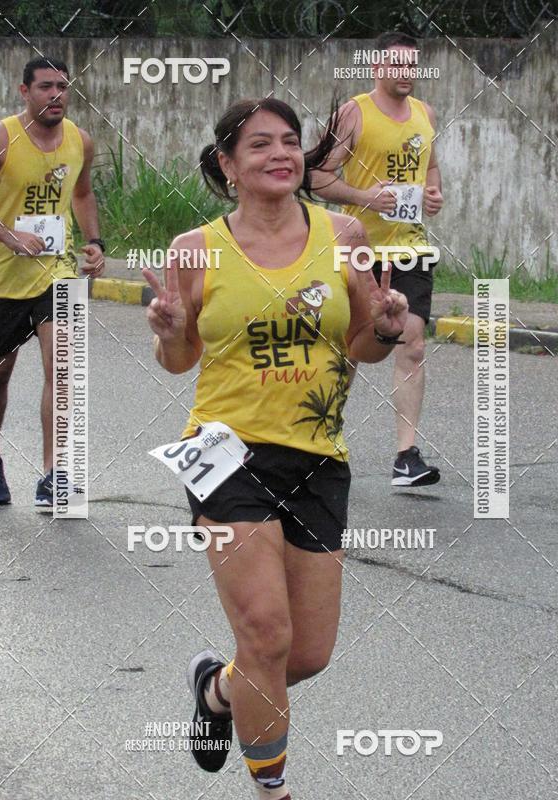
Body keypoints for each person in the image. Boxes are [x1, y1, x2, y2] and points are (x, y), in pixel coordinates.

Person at [143, 97, 408, 800]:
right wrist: (170, 331)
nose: (280, 154)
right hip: (222, 451)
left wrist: (382, 329)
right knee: (265, 631)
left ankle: (218, 690)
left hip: (317, 455)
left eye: (290, 141)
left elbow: (361, 350)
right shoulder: (194, 250)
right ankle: (273, 791)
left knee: (305, 654)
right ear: (228, 165)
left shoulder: (344, 234)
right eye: (259, 145)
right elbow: (180, 361)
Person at [312, 31, 444, 487]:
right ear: (377, 69)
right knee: (351, 348)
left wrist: (433, 194)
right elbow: (317, 176)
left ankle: (406, 456)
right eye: (397, 66)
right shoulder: (354, 113)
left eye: (412, 66)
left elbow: (430, 166)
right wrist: (365, 197)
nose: (406, 73)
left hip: (410, 249)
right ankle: (324, 438)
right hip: (360, 247)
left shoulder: (425, 113)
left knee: (413, 341)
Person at [0, 57, 105, 508]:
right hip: (2, 276)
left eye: (62, 87)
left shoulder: (80, 140)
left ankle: (55, 474)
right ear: (24, 91)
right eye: (45, 87)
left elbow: (83, 192)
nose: (56, 95)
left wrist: (94, 241)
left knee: (63, 367)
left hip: (57, 271)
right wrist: (8, 236)